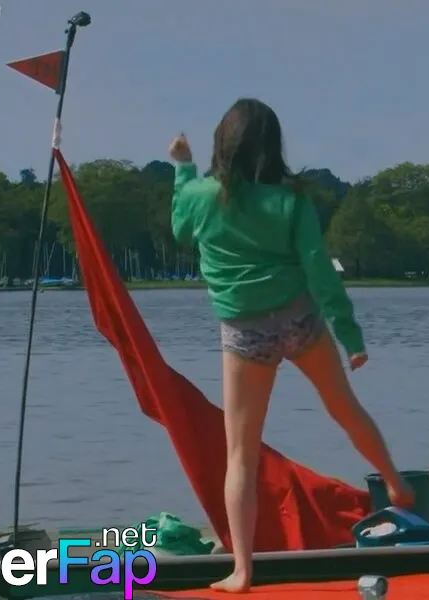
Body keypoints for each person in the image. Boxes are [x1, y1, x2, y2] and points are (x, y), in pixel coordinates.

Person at [168, 98, 414, 594]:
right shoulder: (293, 200)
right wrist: (350, 336)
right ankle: (393, 480)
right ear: (272, 145)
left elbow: (179, 231)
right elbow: (320, 270)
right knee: (344, 407)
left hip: (245, 333)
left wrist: (183, 169)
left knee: (241, 455)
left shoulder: (200, 195)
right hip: (300, 320)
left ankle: (242, 570)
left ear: (223, 144)